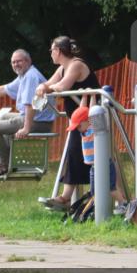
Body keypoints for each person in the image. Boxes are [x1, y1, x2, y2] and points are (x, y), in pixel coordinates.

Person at [35, 35, 100, 209]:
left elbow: (62, 86)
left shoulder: (76, 65)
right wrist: (43, 86)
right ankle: (67, 198)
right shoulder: (63, 68)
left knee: (97, 156)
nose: (50, 54)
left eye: (51, 50)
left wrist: (45, 88)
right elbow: (50, 83)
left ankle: (66, 198)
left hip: (93, 120)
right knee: (75, 153)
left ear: (58, 51)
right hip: (79, 121)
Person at [0, 49, 55, 176]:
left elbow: (30, 105)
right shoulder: (24, 75)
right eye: (13, 62)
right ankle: (9, 158)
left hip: (38, 122)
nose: (15, 64)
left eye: (19, 61)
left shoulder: (31, 77)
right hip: (36, 118)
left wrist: (26, 128)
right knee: (4, 116)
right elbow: (3, 89)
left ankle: (4, 163)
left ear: (28, 61)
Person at [67, 105, 127, 208]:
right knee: (94, 191)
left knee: (111, 188)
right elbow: (83, 110)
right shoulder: (84, 132)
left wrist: (93, 104)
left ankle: (123, 203)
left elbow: (93, 113)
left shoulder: (94, 129)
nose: (78, 129)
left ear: (88, 121)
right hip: (94, 166)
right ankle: (97, 209)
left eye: (79, 126)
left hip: (105, 164)